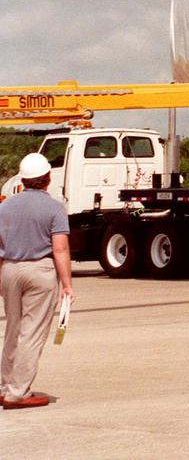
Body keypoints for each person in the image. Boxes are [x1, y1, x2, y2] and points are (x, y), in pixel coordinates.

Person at [0, 153, 75, 410]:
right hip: (39, 271)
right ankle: (18, 393)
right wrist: (67, 285)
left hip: (9, 268)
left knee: (12, 329)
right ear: (48, 178)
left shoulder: (5, 206)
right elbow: (60, 249)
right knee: (31, 334)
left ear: (23, 178)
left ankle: (5, 386)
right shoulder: (54, 207)